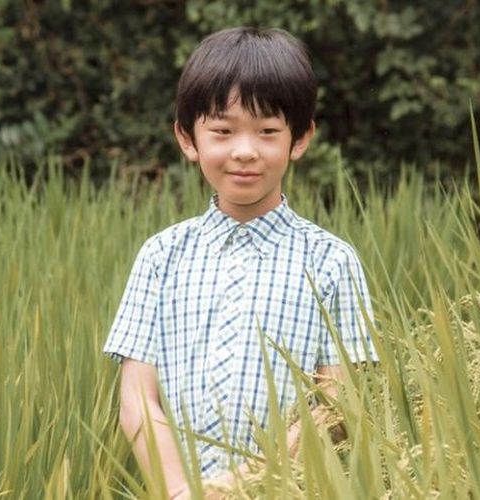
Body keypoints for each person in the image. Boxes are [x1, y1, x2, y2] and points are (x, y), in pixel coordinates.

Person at [103, 26, 377, 499]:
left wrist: (238, 487)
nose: (245, 150)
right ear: (189, 139)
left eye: (268, 131)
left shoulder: (331, 261)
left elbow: (337, 404)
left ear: (301, 138)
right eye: (223, 131)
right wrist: (181, 492)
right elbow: (137, 400)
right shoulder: (161, 256)